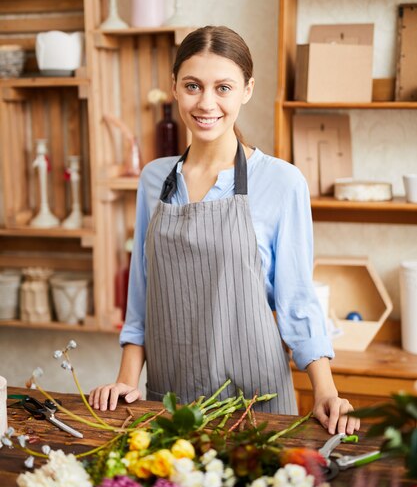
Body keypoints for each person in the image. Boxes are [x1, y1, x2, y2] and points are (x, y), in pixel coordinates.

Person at [89, 25, 359, 436]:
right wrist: (127, 381)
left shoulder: (282, 182)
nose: (206, 103)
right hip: (170, 402)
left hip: (256, 403)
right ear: (174, 87)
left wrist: (325, 391)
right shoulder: (153, 180)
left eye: (224, 88)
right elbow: (142, 296)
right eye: (193, 86)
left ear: (247, 89)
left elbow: (297, 301)